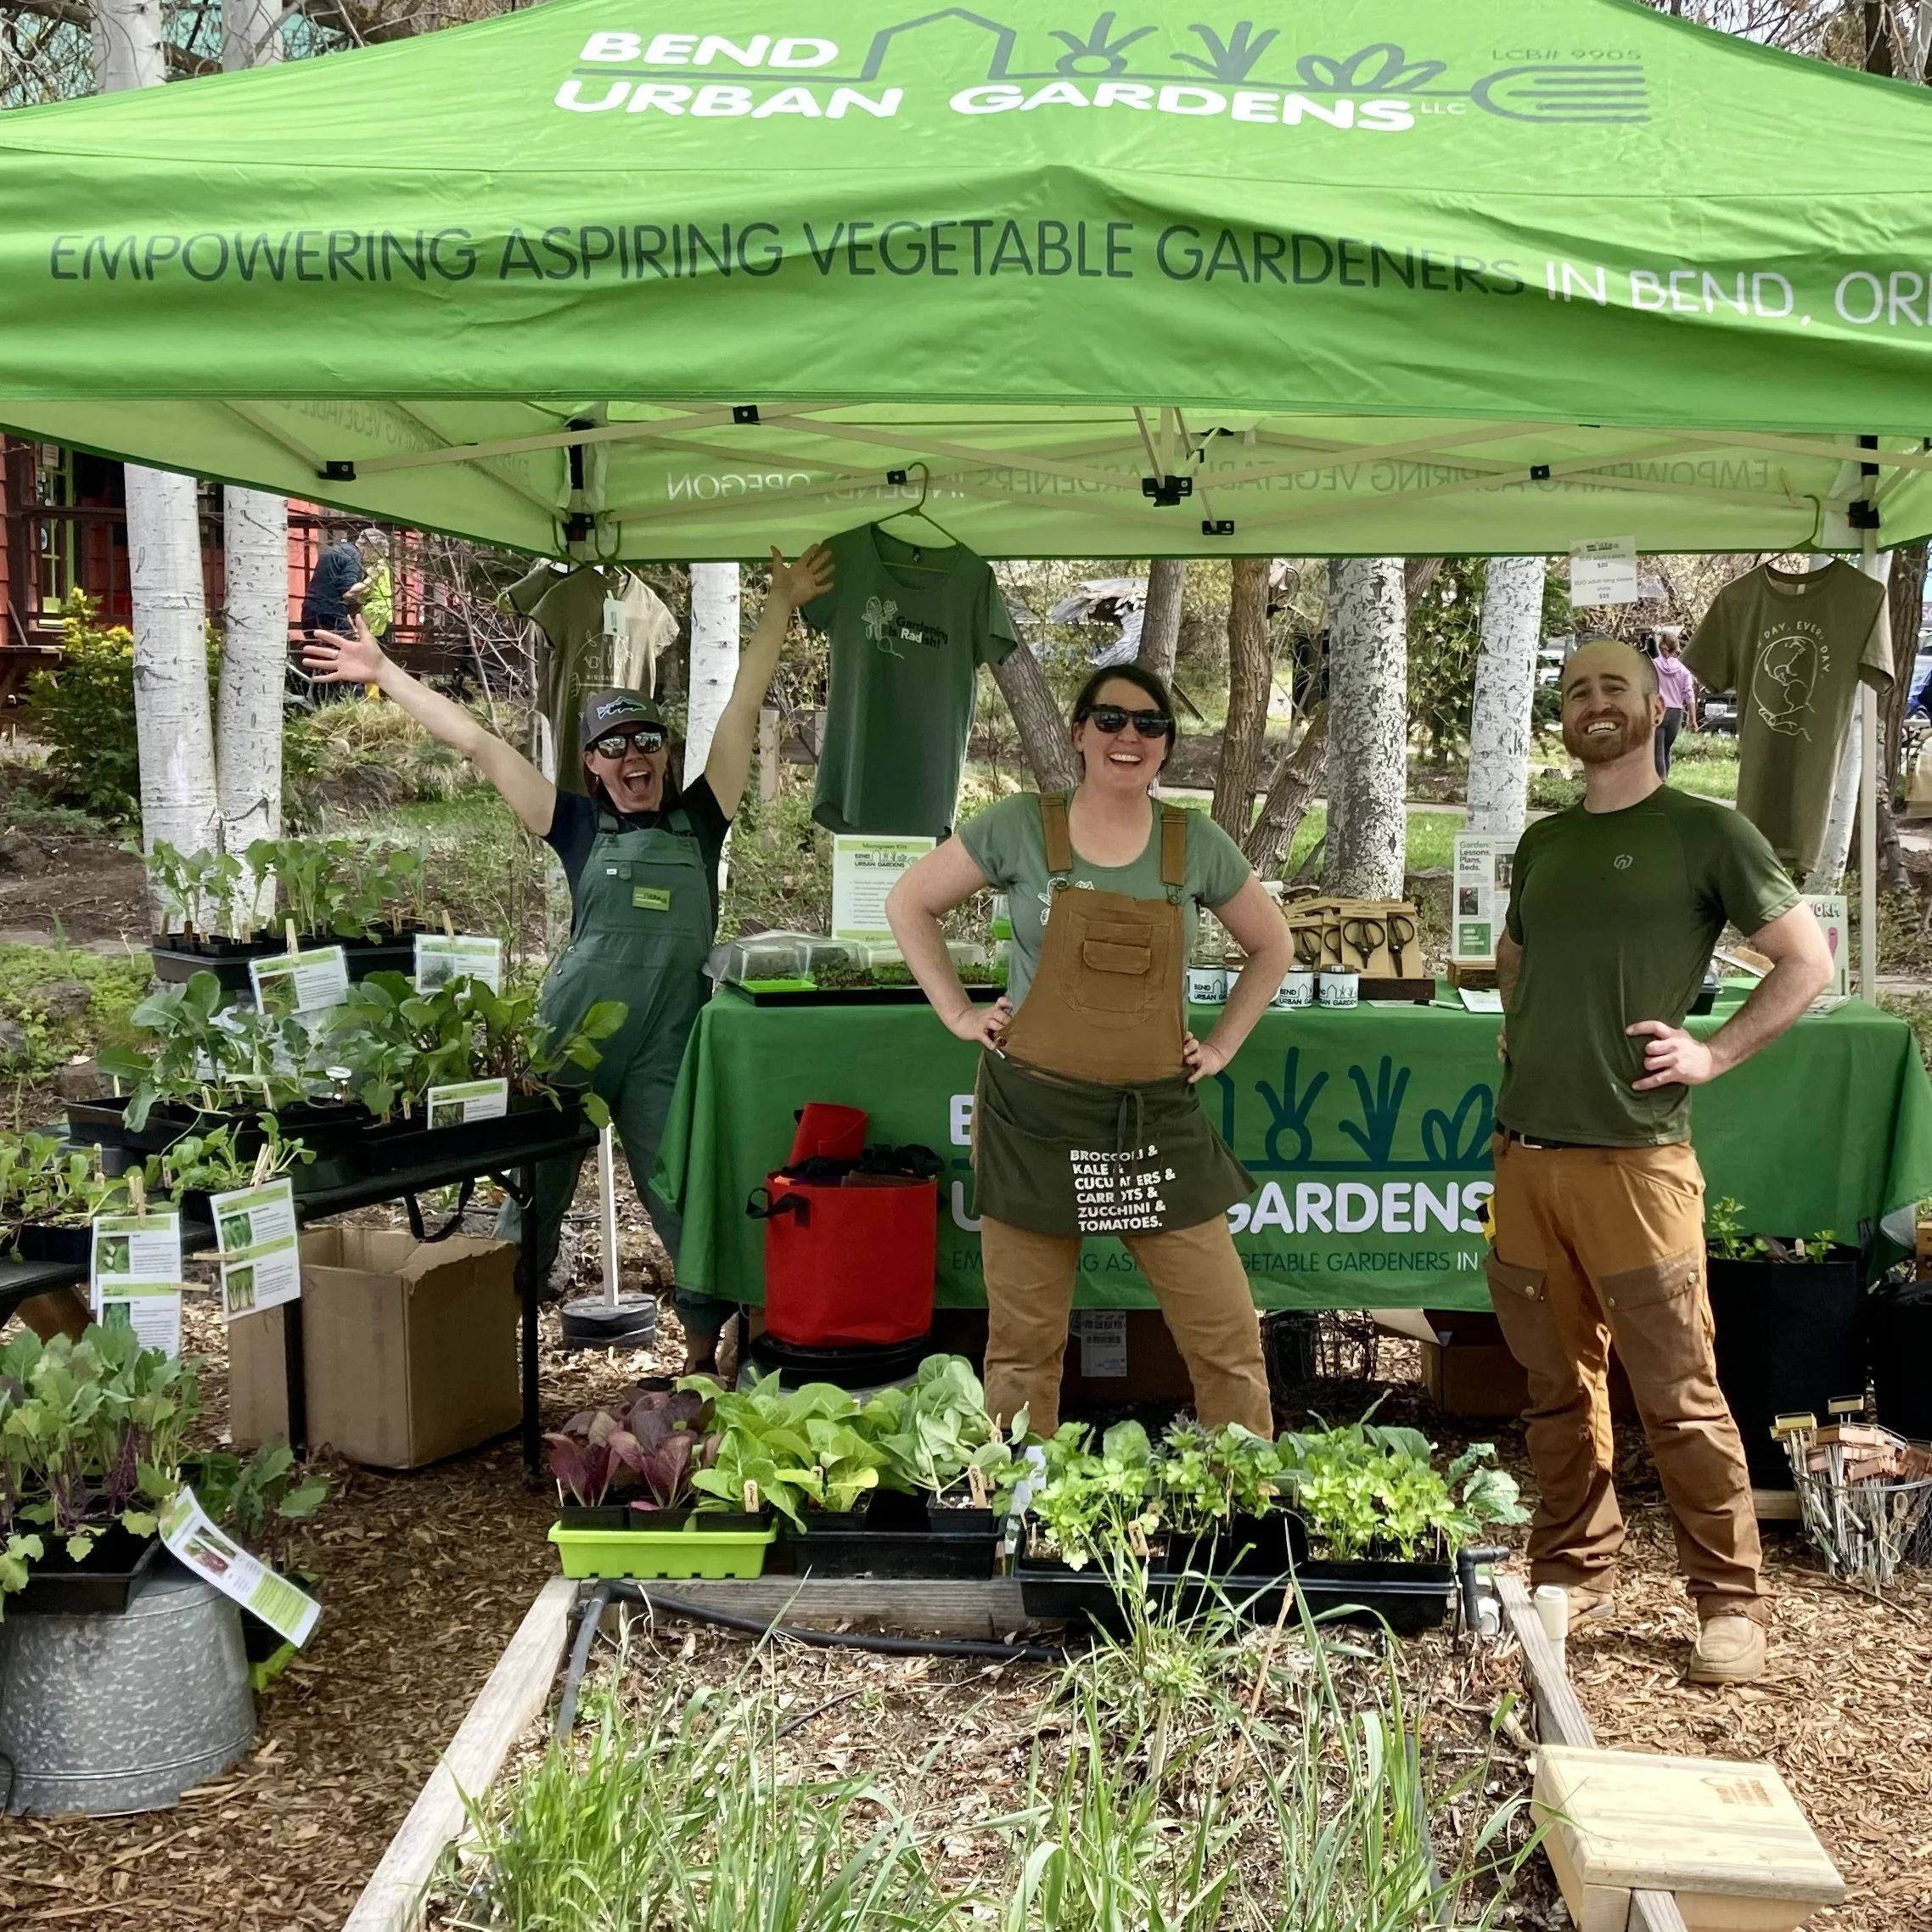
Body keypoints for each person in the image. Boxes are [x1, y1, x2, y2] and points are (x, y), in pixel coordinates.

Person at [303, 542, 834, 1374]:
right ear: (591, 763)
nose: (633, 757)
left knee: (685, 1191)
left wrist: (780, 604)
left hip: (668, 1042)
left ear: (664, 752)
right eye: (614, 746)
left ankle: (702, 1360)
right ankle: (488, 1357)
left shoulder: (702, 818)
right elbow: (477, 743)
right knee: (532, 1190)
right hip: (570, 1037)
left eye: (647, 742)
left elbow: (738, 709)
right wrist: (384, 671)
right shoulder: (573, 823)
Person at [1489, 637, 1833, 1686]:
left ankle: (1727, 1600)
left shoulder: (1705, 831)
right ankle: (1573, 1567)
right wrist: (1530, 1026)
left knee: (1678, 1391)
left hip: (1636, 1164)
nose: (1592, 702)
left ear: (1655, 707)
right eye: (1575, 689)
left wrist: (1712, 1050)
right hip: (1526, 1159)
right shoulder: (1543, 843)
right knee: (1553, 1384)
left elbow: (1804, 959)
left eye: (1612, 688)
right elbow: (1514, 954)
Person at [885, 665, 1293, 1436]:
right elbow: (909, 901)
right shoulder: (1017, 826)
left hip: (1153, 1122)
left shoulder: (1193, 842)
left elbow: (1272, 946)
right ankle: (1018, 1511)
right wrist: (958, 1012)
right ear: (1077, 733)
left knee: (1227, 1339)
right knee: (1022, 1348)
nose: (1127, 737)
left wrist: (1221, 1046)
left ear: (1168, 746)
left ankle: (1241, 1502)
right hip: (1033, 1116)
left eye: (1148, 724)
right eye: (1108, 720)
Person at [301, 524, 365, 637]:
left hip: (309, 610)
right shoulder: (354, 556)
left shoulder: (335, 550)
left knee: (315, 651)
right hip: (330, 614)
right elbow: (347, 592)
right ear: (369, 547)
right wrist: (370, 580)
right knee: (348, 649)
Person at [1653, 630, 1697, 777]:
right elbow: (1689, 694)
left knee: (1657, 751)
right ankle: (1665, 782)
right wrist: (1693, 718)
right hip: (1676, 713)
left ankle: (1661, 782)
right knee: (1666, 749)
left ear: (1660, 647)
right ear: (1676, 647)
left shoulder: (1653, 666)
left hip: (1658, 711)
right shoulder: (1684, 670)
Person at [354, 528, 394, 643]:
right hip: (381, 608)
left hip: (375, 609)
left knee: (369, 642)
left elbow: (366, 589)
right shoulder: (383, 565)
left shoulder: (377, 566)